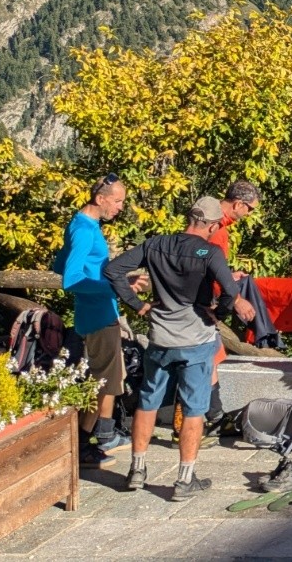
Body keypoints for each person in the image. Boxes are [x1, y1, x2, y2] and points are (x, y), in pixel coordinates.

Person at [106, 196, 256, 499]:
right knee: (193, 409)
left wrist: (138, 306)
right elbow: (230, 291)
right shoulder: (210, 252)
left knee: (147, 402)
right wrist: (217, 313)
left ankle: (137, 470)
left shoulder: (156, 244)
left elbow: (112, 270)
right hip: (196, 340)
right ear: (213, 225)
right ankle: (184, 479)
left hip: (160, 337)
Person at [54, 173, 145, 464]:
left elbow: (60, 263)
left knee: (107, 378)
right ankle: (84, 443)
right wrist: (115, 288)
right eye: (117, 201)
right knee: (103, 381)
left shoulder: (83, 224)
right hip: (97, 315)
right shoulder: (83, 229)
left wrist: (118, 283)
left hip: (99, 311)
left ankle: (96, 436)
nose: (120, 208)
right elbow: (70, 278)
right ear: (100, 198)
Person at [199, 178, 263, 431]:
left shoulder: (206, 218)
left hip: (199, 299)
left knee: (213, 355)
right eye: (250, 209)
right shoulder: (219, 231)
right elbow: (207, 269)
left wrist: (227, 276)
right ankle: (207, 419)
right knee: (207, 358)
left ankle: (214, 415)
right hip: (200, 303)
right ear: (238, 204)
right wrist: (235, 298)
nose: (250, 215)